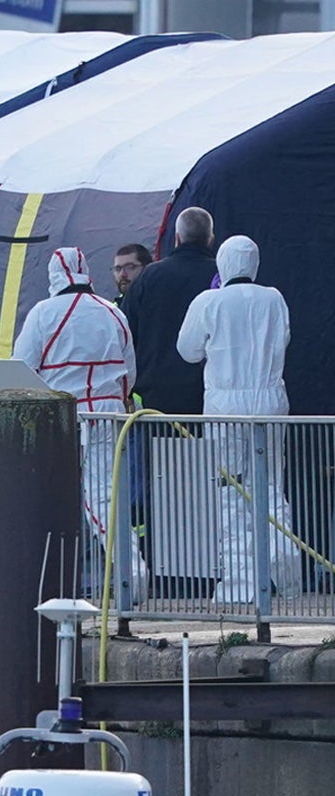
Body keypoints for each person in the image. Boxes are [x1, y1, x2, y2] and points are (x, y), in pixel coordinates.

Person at [176, 234, 302, 605]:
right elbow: (285, 340)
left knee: (230, 492)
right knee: (271, 487)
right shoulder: (274, 299)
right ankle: (287, 575)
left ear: (223, 264)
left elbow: (187, 351)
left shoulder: (209, 302)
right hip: (270, 398)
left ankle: (240, 585)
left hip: (225, 405)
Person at [12, 247, 137, 591]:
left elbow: (21, 366)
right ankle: (127, 571)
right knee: (106, 494)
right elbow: (129, 373)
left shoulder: (43, 313)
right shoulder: (113, 312)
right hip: (109, 414)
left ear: (53, 274)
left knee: (68, 498)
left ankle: (117, 573)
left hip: (65, 416)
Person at [121, 207, 217, 418]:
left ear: (177, 238)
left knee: (160, 451)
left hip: (156, 395)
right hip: (210, 394)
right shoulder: (221, 277)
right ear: (210, 239)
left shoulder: (149, 276)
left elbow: (125, 332)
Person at [111, 243, 152, 308]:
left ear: (147, 268)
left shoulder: (160, 302)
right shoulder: (114, 309)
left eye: (130, 267)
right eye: (118, 269)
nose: (122, 274)